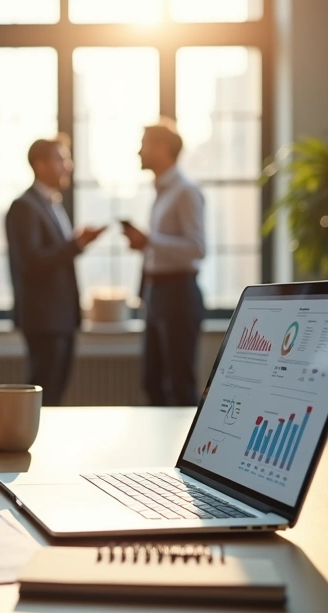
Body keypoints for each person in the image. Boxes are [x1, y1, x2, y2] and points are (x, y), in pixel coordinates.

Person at [5, 135, 105, 406]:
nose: (69, 165)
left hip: (60, 319)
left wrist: (75, 244)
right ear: (40, 165)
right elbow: (32, 262)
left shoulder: (52, 204)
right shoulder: (24, 207)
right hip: (44, 320)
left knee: (55, 395)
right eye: (62, 159)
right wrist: (76, 244)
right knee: (45, 395)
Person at [122, 119, 207, 406]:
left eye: (144, 145)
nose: (138, 152)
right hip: (157, 294)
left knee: (179, 384)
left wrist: (150, 242)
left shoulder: (185, 191)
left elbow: (197, 248)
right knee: (152, 381)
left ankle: (188, 450)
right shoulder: (162, 191)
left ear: (162, 148)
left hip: (178, 295)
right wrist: (145, 247)